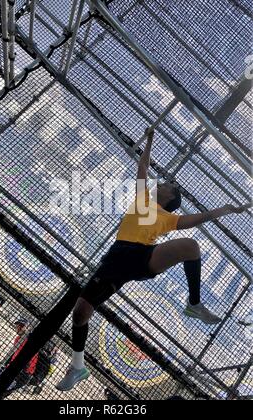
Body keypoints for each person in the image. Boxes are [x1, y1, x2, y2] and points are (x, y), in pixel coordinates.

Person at [56, 128, 251, 392]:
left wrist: (226, 210)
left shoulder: (170, 218)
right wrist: (149, 140)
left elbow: (197, 219)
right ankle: (78, 367)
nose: (164, 182)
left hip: (143, 256)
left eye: (170, 185)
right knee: (80, 315)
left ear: (170, 197)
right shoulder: (142, 197)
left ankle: (194, 304)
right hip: (117, 259)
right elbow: (143, 165)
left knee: (191, 246)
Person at [1, 319, 39, 399]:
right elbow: (14, 354)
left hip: (23, 373)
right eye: (18, 326)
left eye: (21, 326)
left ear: (27, 328)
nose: (18, 328)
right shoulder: (18, 339)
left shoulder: (29, 339)